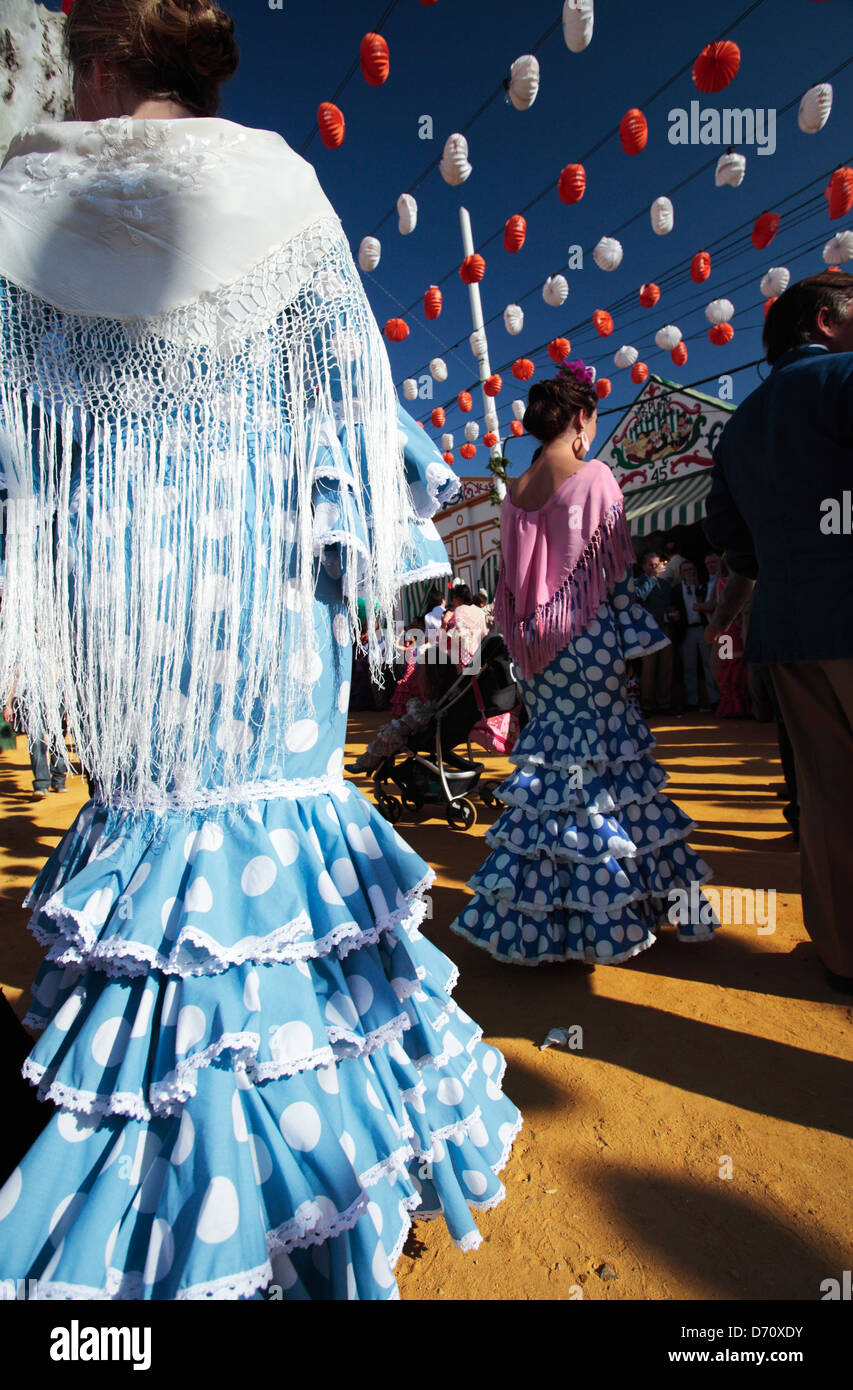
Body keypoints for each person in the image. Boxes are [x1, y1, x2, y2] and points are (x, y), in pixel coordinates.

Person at [0, 0, 520, 1298]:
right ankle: (322, 1194)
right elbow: (353, 415)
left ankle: (188, 1227)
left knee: (173, 899)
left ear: (103, 64)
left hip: (128, 608)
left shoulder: (30, 209)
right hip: (263, 609)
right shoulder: (280, 184)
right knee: (274, 881)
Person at [449, 361, 718, 965]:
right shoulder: (595, 476)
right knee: (612, 770)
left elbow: (512, 584)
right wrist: (635, 638)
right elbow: (613, 568)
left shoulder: (514, 493)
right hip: (589, 637)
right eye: (592, 419)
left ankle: (551, 919)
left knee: (553, 772)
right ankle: (626, 906)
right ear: (578, 419)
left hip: (538, 651)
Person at [704, 271, 853, 992]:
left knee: (827, 798)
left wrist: (736, 597)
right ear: (826, 320)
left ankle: (841, 954)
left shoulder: (738, 427)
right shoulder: (845, 378)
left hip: (790, 628)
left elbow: (733, 542)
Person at [669, 560, 719, 711]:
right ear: (681, 573)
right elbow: (672, 606)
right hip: (687, 631)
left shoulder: (705, 586)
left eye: (691, 569)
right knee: (689, 667)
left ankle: (715, 699)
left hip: (704, 629)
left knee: (709, 665)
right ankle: (692, 701)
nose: (689, 572)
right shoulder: (676, 590)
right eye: (685, 570)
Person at [634, 551, 677, 714]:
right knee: (649, 669)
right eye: (651, 565)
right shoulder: (638, 582)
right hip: (648, 631)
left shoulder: (665, 584)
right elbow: (640, 597)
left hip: (665, 629)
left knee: (666, 667)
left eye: (656, 564)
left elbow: (669, 603)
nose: (654, 568)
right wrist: (651, 578)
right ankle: (648, 705)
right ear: (644, 566)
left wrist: (673, 612)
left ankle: (664, 703)